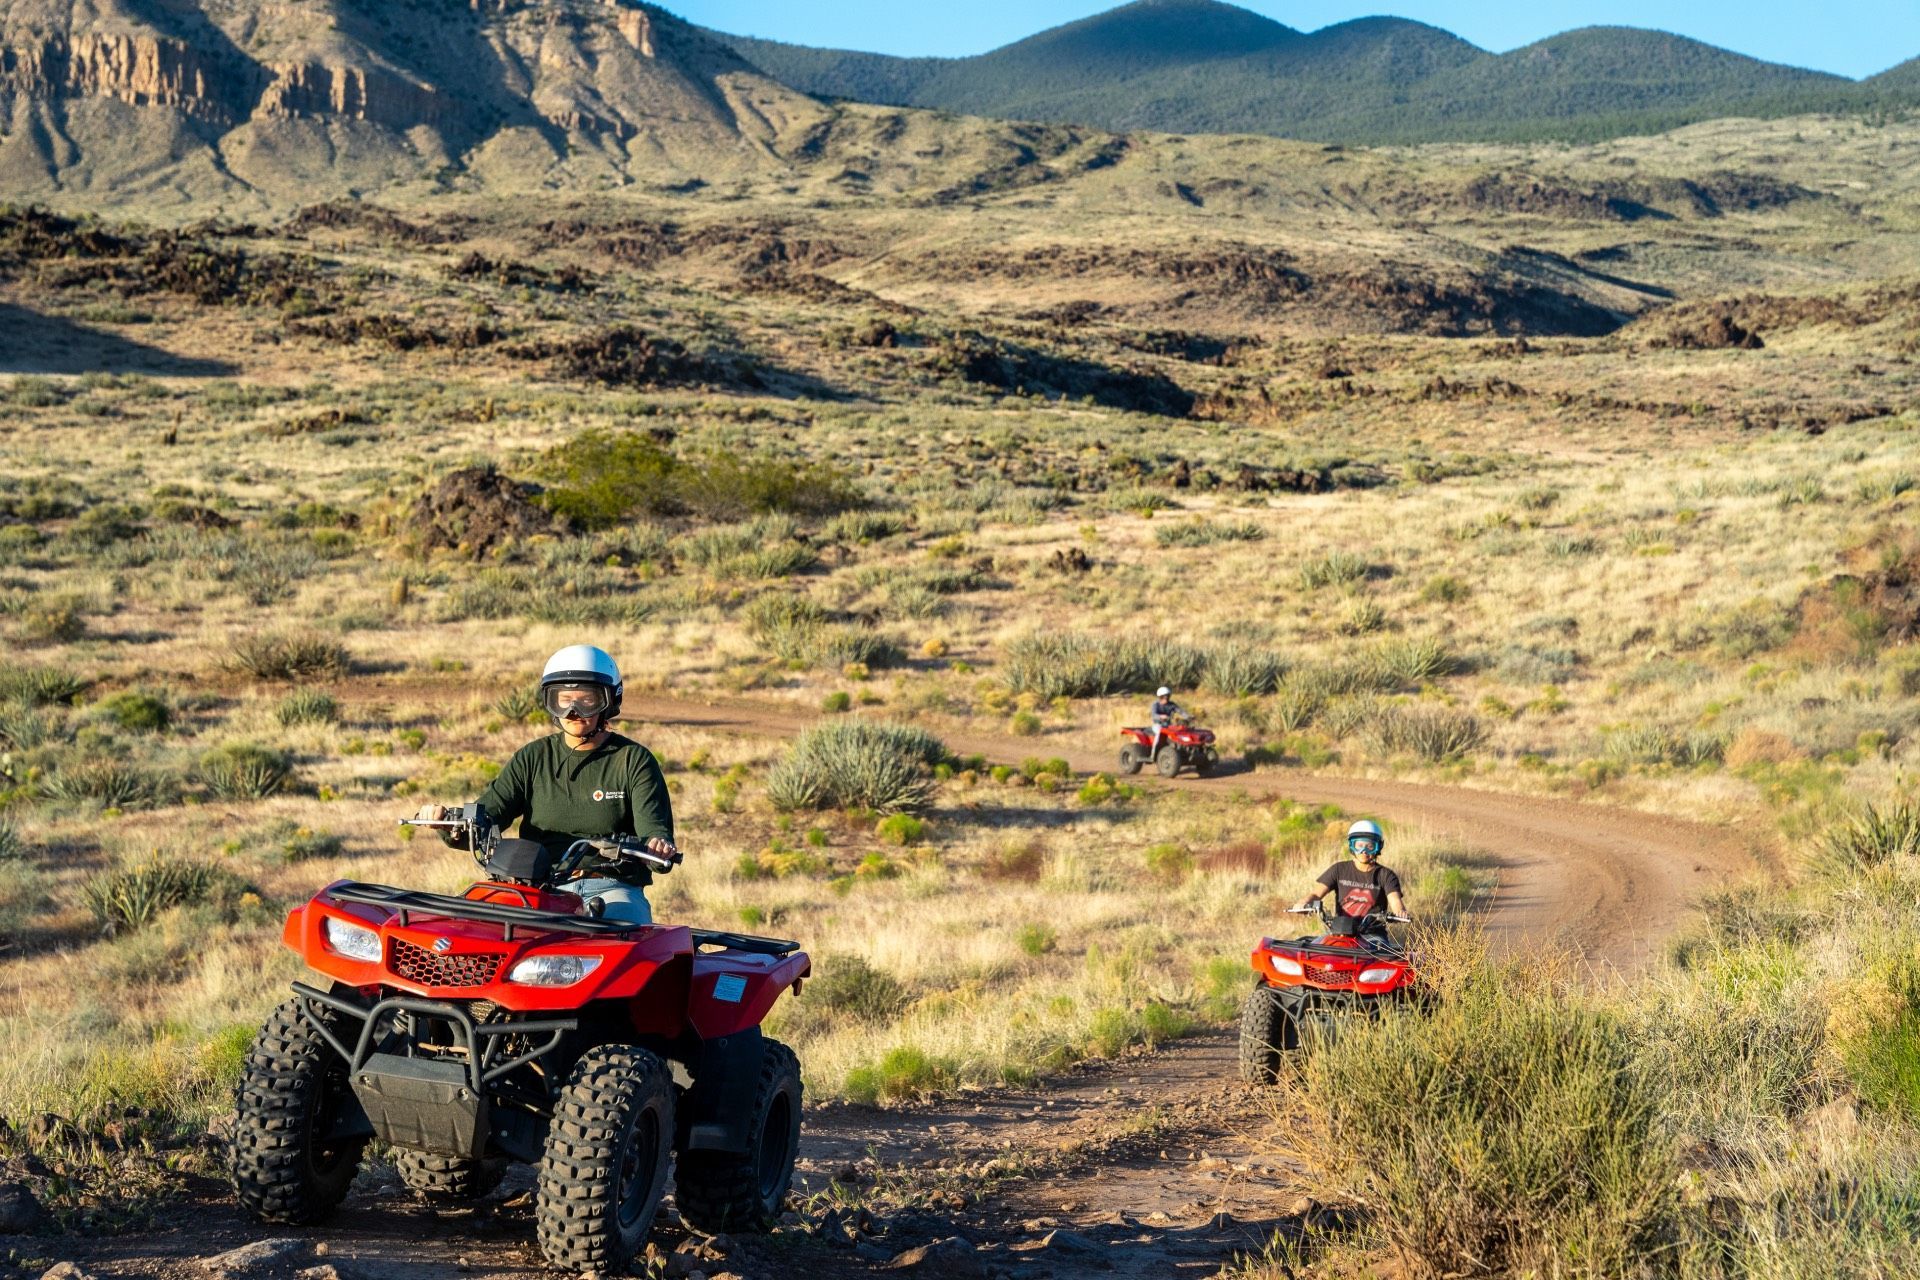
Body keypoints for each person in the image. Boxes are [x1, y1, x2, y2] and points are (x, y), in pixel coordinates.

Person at [419, 645, 674, 924]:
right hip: (536, 889)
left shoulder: (633, 760)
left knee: (624, 939)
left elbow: (655, 832)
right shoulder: (533, 757)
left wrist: (657, 847)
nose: (573, 711)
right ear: (550, 701)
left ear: (609, 701)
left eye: (586, 700)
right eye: (563, 699)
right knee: (473, 932)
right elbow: (488, 813)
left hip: (611, 888)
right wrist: (448, 822)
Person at [1291, 819, 1410, 943]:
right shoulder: (1339, 869)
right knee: (1314, 949)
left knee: (1382, 958)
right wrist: (1303, 903)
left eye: (1370, 846)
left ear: (1378, 846)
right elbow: (1316, 894)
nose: (1364, 851)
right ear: (1351, 846)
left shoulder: (1386, 875)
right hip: (1339, 931)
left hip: (1372, 935)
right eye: (1359, 845)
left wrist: (1399, 912)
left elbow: (1395, 900)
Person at [1148, 685, 1181, 757]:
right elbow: (1153, 715)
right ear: (1160, 697)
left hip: (1169, 726)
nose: (1167, 698)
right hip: (1157, 725)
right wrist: (1161, 717)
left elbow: (1180, 711)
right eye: (1165, 696)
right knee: (1159, 734)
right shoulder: (1155, 704)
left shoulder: (1172, 705)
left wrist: (1188, 716)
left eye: (1168, 696)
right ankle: (1153, 753)